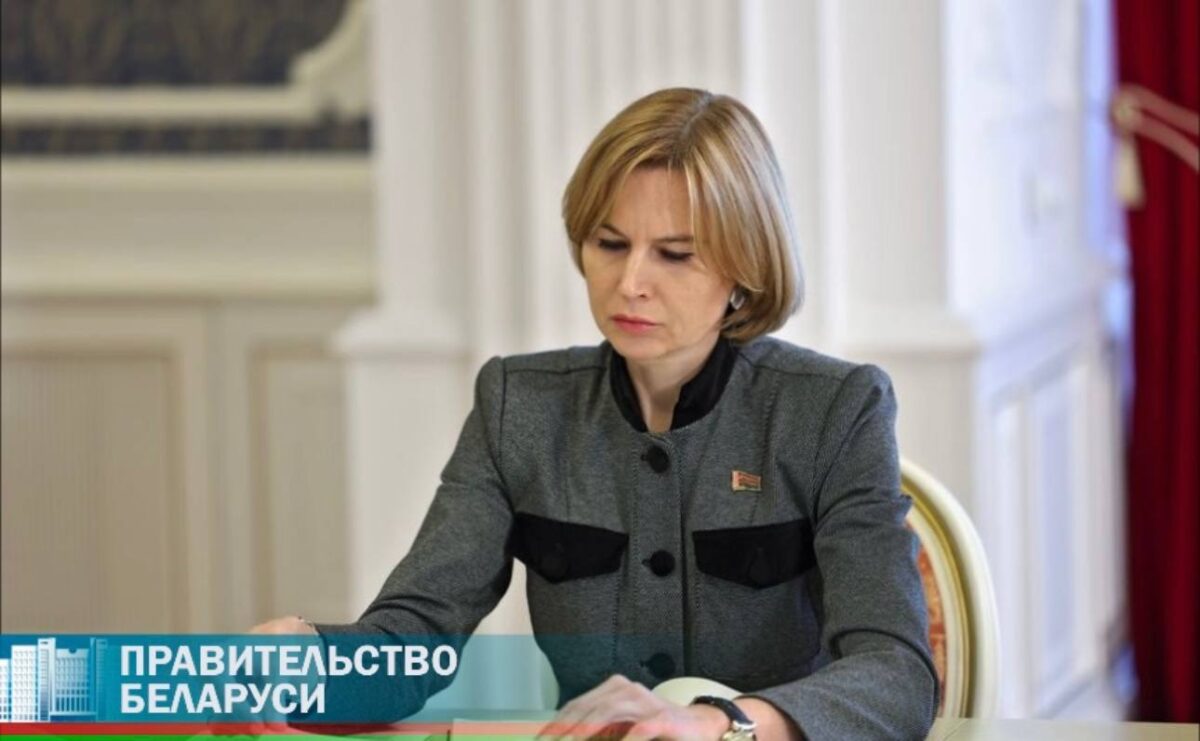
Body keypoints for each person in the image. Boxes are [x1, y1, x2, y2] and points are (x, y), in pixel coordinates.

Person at [253, 87, 938, 740]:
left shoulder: (835, 409)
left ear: (744, 269)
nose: (630, 282)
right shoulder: (516, 404)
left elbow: (897, 674)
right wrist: (309, 660)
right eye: (610, 244)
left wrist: (719, 723)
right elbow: (414, 638)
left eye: (675, 254)